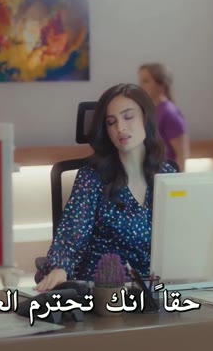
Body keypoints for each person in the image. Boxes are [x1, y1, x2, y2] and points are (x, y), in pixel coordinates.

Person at [35, 83, 176, 291]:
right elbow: (72, 235)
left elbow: (182, 235)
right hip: (104, 290)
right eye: (111, 122)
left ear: (146, 119)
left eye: (128, 117)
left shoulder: (167, 174)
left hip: (156, 288)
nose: (120, 128)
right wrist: (60, 269)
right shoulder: (92, 177)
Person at [138, 63, 189, 172]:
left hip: (166, 174)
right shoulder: (150, 110)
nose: (141, 86)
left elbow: (181, 154)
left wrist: (178, 180)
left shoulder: (170, 113)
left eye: (146, 81)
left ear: (161, 85)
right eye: (140, 81)